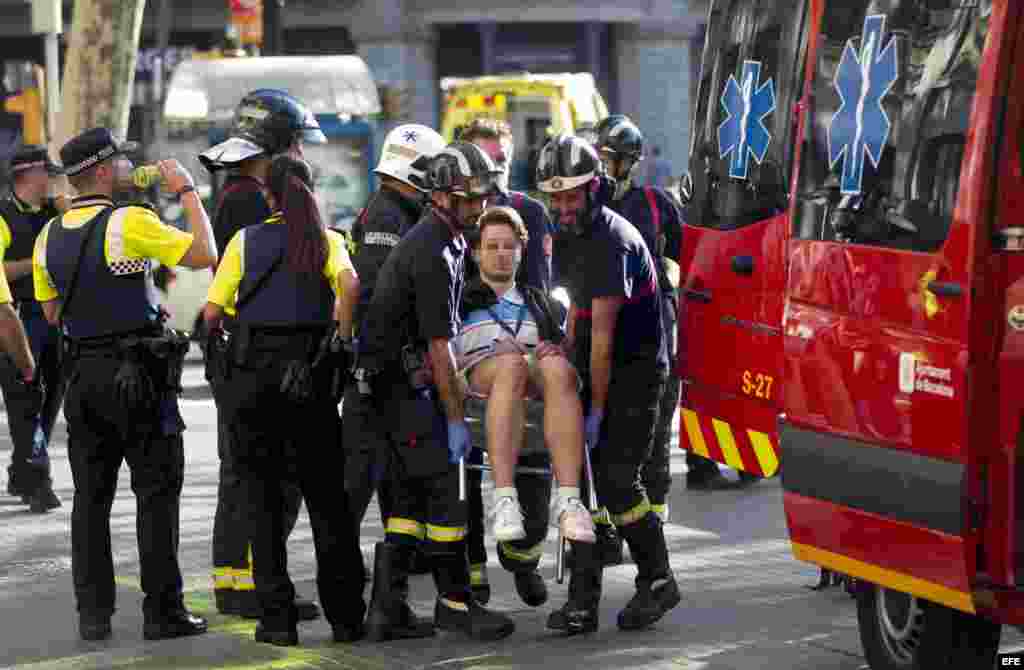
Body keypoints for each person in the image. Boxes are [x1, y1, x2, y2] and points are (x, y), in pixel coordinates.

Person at [33, 127, 215, 641]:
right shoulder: (130, 221)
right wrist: (186, 192)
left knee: (90, 502)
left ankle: (94, 615)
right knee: (156, 495)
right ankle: (164, 612)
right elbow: (203, 253)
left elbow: (49, 312)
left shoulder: (51, 234)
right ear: (99, 170)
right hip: (138, 376)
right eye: (119, 164)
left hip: (83, 381)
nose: (125, 170)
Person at [203, 155, 364, 647]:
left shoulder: (244, 241)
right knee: (328, 505)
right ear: (311, 191)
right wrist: (340, 336)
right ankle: (345, 617)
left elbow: (212, 312)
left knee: (263, 504)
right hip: (310, 382)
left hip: (254, 385)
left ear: (268, 196)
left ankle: (277, 621)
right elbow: (351, 285)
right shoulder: (328, 241)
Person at [357, 141, 514, 642]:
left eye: (483, 197)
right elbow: (439, 349)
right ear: (442, 197)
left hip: (387, 387)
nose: (480, 208)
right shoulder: (434, 251)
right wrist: (453, 417)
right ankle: (454, 603)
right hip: (404, 388)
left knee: (404, 501)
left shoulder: (439, 240)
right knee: (447, 493)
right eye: (469, 199)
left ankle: (388, 609)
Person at [537, 133, 680, 634]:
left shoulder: (611, 239)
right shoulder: (571, 235)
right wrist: (559, 342)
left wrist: (596, 410)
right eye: (555, 198)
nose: (563, 206)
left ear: (593, 189)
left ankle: (659, 579)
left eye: (571, 196)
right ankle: (582, 603)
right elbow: (578, 307)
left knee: (617, 482)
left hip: (634, 373)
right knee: (580, 485)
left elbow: (603, 340)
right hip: (598, 365)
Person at [199, 89, 326, 622]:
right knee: (265, 475)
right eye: (295, 141)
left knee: (244, 470)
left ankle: (238, 577)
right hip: (262, 354)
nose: (300, 152)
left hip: (242, 353)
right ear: (275, 145)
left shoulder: (236, 192)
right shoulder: (252, 198)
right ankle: (251, 580)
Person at [454, 206, 595, 608]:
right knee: (511, 363)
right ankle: (503, 497)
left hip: (535, 412)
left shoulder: (544, 305)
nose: (501, 253)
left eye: (509, 247)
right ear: (477, 253)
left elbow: (574, 358)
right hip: (480, 395)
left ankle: (568, 502)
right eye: (492, 246)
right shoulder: (459, 301)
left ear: (521, 252)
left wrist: (559, 348)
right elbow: (441, 356)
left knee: (555, 367)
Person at [457, 116, 557, 601]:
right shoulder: (456, 217)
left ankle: (523, 558)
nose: (492, 170)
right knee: (468, 473)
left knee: (533, 460)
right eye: (482, 160)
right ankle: (473, 571)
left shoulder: (531, 214)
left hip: (526, 330)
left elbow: (544, 278)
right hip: (475, 350)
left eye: (499, 159)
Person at [345, 123, 446, 532]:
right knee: (362, 472)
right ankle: (342, 562)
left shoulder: (387, 208)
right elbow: (378, 293)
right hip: (381, 366)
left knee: (386, 470)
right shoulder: (389, 216)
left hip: (378, 363)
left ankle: (398, 555)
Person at [1, 146, 65, 511]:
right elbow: (1, 271)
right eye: (49, 173)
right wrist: (37, 263)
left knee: (51, 398)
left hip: (54, 317)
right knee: (25, 400)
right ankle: (38, 482)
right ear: (30, 176)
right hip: (18, 317)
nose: (55, 180)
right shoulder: (3, 215)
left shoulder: (55, 211)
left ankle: (21, 469)